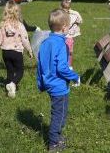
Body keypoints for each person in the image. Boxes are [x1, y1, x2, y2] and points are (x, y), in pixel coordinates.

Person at [37, 9, 80, 152]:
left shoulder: (45, 42)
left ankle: (57, 137)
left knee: (60, 112)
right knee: (58, 114)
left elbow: (40, 65)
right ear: (64, 27)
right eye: (69, 25)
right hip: (59, 86)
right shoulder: (62, 44)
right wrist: (74, 76)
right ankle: (54, 143)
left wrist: (41, 82)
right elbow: (62, 68)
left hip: (50, 84)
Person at [0, 0, 33, 98]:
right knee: (20, 71)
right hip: (16, 52)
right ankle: (13, 84)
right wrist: (29, 50)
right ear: (17, 12)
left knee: (10, 71)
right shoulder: (20, 25)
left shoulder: (2, 25)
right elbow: (25, 39)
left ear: (6, 12)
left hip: (5, 52)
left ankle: (10, 91)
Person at [61, 0, 83, 68]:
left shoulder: (73, 14)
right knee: (66, 51)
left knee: (69, 51)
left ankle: (69, 65)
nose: (65, 11)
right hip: (63, 35)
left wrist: (75, 24)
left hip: (68, 35)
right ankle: (66, 65)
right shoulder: (60, 13)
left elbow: (80, 21)